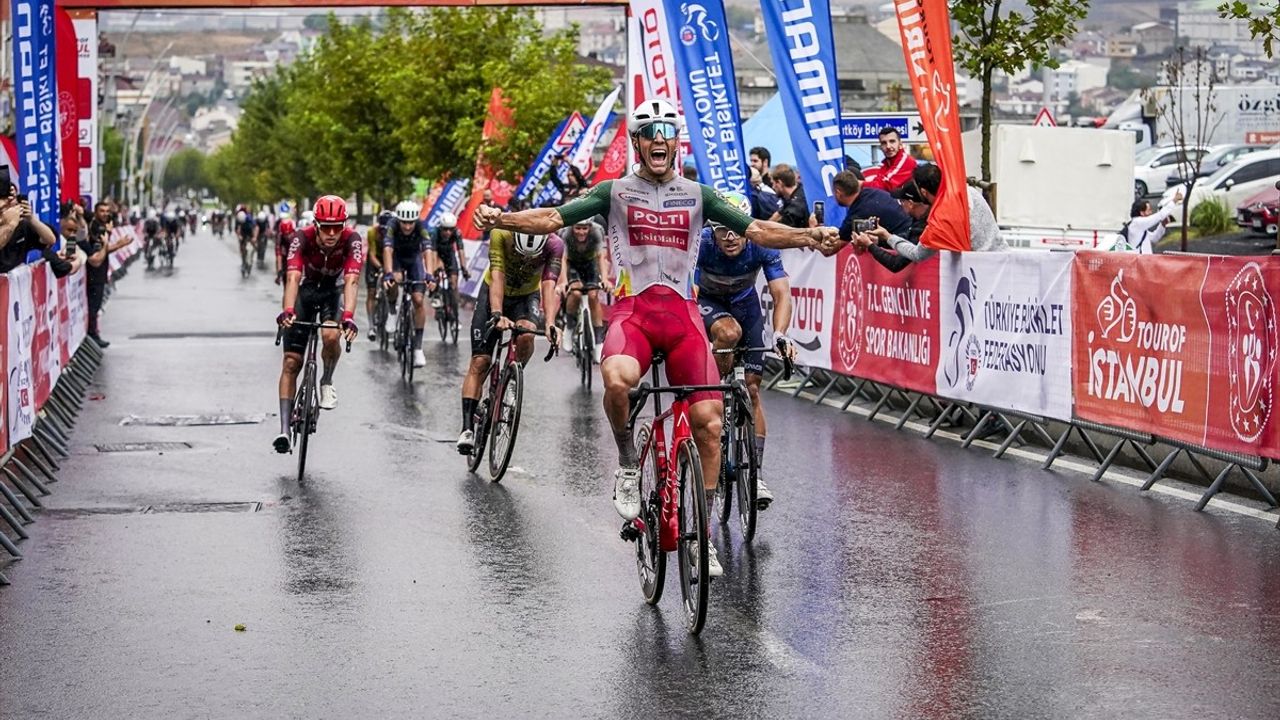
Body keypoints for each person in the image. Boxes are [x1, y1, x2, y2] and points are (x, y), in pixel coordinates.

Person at [474, 98, 842, 577]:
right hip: (634, 315)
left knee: (710, 423)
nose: (659, 141)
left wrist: (809, 238)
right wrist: (500, 218)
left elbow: (758, 230)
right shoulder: (614, 192)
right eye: (650, 133)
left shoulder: (699, 194)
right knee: (618, 379)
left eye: (667, 132)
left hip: (685, 318)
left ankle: (704, 536)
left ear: (676, 142)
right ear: (638, 143)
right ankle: (629, 462)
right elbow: (550, 219)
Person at [694, 191, 795, 510]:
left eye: (736, 229)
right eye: (722, 230)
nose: (730, 237)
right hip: (709, 303)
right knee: (728, 332)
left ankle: (757, 475)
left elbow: (782, 294)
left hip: (745, 304)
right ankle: (714, 395)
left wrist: (780, 334)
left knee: (752, 390)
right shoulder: (703, 243)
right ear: (712, 229)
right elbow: (690, 291)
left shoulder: (761, 242)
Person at [455, 229, 564, 453]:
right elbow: (497, 275)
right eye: (521, 253)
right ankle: (466, 429)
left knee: (527, 333)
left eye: (531, 257)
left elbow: (548, 285)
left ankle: (511, 379)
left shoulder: (555, 244)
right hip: (494, 291)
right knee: (480, 362)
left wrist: (551, 323)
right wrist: (496, 313)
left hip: (526, 296)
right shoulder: (500, 235)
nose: (526, 260)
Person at [273, 195, 363, 453]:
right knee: (291, 362)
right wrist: (288, 310)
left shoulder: (352, 240)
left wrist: (348, 316)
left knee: (331, 337)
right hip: (305, 291)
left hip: (332, 294)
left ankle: (326, 381)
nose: (332, 233)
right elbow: (292, 277)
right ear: (316, 224)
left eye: (338, 227)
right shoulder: (301, 238)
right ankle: (284, 431)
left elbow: (352, 281)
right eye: (326, 227)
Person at [854, 164, 1009, 260]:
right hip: (1003, 258)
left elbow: (917, 254)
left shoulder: (942, 217)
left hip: (982, 270)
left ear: (923, 191)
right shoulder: (967, 191)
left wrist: (887, 237)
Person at [382, 201, 430, 368]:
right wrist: (388, 273)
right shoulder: (392, 224)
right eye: (404, 222)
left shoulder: (421, 225)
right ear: (398, 220)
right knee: (394, 279)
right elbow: (388, 250)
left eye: (411, 223)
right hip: (397, 258)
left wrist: (429, 273)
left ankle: (417, 348)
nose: (408, 226)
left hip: (414, 258)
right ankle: (392, 311)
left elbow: (427, 250)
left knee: (418, 300)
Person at [555, 218, 611, 360]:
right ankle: (569, 327)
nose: (581, 232)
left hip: (589, 264)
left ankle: (599, 343)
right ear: (572, 227)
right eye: (578, 228)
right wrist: (564, 282)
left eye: (585, 228)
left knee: (593, 295)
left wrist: (604, 279)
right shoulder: (566, 233)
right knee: (576, 293)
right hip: (572, 264)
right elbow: (563, 259)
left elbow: (601, 257)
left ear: (590, 227)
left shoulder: (597, 231)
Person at [84, 202, 133, 348]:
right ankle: (93, 335)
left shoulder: (104, 226)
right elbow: (100, 252)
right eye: (102, 211)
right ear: (96, 212)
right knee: (94, 306)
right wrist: (120, 244)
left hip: (100, 271)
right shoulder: (96, 227)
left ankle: (94, 333)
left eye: (107, 211)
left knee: (96, 305)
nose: (105, 213)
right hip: (94, 273)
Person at [863, 180, 931, 273]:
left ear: (911, 204)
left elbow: (895, 264)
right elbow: (906, 238)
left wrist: (870, 245)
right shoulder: (917, 220)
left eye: (901, 201)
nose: (900, 205)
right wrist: (880, 239)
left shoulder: (925, 226)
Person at [835, 170, 914, 242]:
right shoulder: (870, 192)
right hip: (909, 232)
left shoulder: (858, 212)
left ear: (838, 193)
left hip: (906, 241)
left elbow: (837, 241)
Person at [425, 211, 471, 313]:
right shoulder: (434, 233)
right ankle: (436, 294)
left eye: (451, 229)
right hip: (437, 254)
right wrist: (433, 271)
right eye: (445, 229)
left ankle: (454, 309)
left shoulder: (457, 233)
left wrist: (464, 268)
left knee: (453, 282)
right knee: (437, 269)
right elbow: (432, 254)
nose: (448, 232)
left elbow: (461, 251)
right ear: (441, 227)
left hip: (449, 255)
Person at [1117, 190, 1183, 254]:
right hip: (1141, 262)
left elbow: (1154, 238)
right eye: (1149, 210)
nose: (1151, 212)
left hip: (1144, 261)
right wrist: (1174, 200)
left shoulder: (1140, 226)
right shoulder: (1138, 222)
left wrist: (1162, 225)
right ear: (1142, 213)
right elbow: (1160, 215)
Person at [363, 210, 392, 339]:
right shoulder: (372, 232)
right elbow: (372, 254)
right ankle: (371, 326)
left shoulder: (394, 232)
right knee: (371, 291)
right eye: (383, 229)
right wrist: (381, 268)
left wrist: (389, 269)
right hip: (374, 261)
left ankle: (391, 312)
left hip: (389, 258)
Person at [862, 127, 917, 193]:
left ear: (900, 143)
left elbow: (884, 186)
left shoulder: (906, 161)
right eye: (884, 143)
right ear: (880, 146)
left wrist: (859, 184)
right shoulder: (885, 165)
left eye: (892, 141)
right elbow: (876, 185)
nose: (888, 146)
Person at [769, 164, 810, 229]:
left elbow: (780, 233)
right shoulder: (801, 190)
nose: (773, 187)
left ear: (779, 183)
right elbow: (777, 216)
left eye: (773, 183)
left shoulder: (794, 210)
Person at [274, 216, 296, 284]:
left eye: (289, 234)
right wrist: (279, 272)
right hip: (285, 259)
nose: (287, 237)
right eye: (285, 235)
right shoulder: (280, 237)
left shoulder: (297, 236)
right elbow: (279, 255)